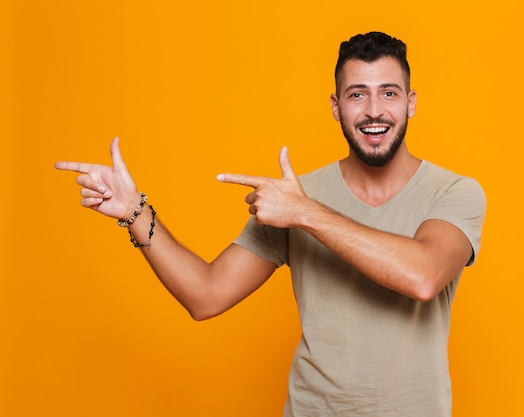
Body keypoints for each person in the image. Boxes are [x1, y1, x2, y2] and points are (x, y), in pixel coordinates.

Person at [56, 31, 486, 416]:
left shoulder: (455, 193)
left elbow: (424, 276)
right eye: (357, 95)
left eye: (389, 93)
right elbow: (206, 295)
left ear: (411, 101)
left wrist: (304, 213)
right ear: (336, 107)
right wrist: (136, 212)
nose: (374, 111)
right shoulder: (294, 198)